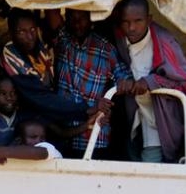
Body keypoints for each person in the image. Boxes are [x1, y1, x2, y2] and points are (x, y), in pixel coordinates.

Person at [112, 0, 186, 163]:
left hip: (158, 123)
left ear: (149, 19)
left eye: (138, 21)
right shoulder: (119, 38)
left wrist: (151, 82)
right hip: (131, 120)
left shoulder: (164, 42)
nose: (131, 28)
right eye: (126, 22)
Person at [1, 8, 112, 128]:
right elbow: (40, 97)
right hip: (29, 121)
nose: (29, 36)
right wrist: (86, 109)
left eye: (32, 29)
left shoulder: (41, 46)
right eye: (21, 32)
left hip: (52, 116)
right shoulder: (10, 53)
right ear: (11, 33)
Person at [52, 8, 134, 159]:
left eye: (82, 18)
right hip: (63, 134)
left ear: (91, 19)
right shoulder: (63, 41)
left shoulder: (105, 48)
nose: (77, 24)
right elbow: (52, 12)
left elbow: (125, 79)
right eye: (72, 18)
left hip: (95, 136)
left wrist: (122, 86)